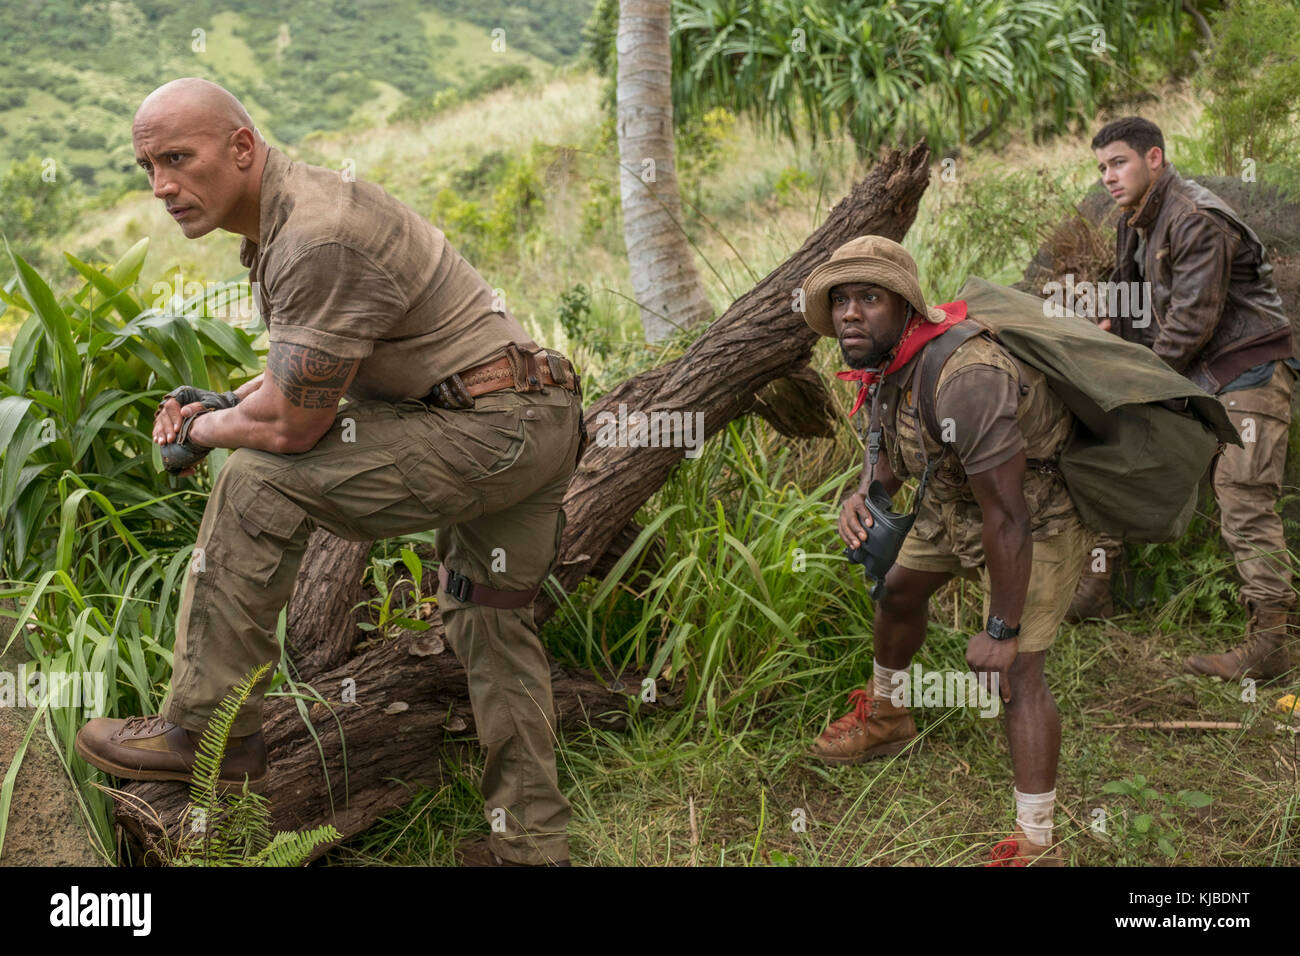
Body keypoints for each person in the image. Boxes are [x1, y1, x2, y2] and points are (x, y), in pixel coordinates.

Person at [74, 78, 584, 867]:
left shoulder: (314, 235)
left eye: (178, 158)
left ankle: (208, 733)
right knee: (488, 619)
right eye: (147, 167)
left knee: (256, 479)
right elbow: (315, 369)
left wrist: (202, 431)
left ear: (240, 146)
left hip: (490, 433)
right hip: (531, 415)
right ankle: (535, 843)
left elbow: (290, 424)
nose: (162, 187)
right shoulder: (291, 213)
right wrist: (224, 399)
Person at [803, 236, 1091, 866]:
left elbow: (1007, 513)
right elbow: (887, 458)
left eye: (869, 297)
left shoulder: (969, 378)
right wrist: (861, 495)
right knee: (898, 591)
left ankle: (1037, 841)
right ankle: (888, 716)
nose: (851, 313)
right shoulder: (884, 366)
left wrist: (1000, 628)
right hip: (953, 501)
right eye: (841, 299)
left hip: (1034, 513)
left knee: (1016, 673)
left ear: (906, 305)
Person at [1080, 116, 1297, 682]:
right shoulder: (1137, 219)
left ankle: (1272, 644)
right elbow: (1129, 290)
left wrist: (1130, 385)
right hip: (1193, 376)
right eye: (1101, 167)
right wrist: (1110, 323)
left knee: (1244, 497)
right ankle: (1093, 589)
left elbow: (1191, 322)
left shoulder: (1195, 217)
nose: (1108, 176)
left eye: (1119, 162)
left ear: (1155, 158)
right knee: (1124, 458)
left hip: (1245, 371)